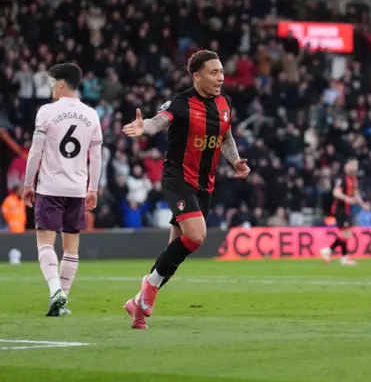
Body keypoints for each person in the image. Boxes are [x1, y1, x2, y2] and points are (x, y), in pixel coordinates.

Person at [121, 50, 250, 330]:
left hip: (205, 184)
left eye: (221, 72)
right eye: (214, 72)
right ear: (197, 76)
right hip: (179, 179)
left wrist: (236, 161)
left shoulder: (224, 104)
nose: (220, 77)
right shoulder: (181, 103)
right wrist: (146, 128)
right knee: (197, 235)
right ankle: (148, 287)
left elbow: (225, 137)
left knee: (175, 252)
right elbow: (160, 121)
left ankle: (137, 306)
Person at [23, 63, 102, 317]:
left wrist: (27, 184)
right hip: (77, 188)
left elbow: (36, 151)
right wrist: (94, 188)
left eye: (51, 82)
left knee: (45, 242)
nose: (50, 88)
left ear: (60, 83)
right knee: (71, 247)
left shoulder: (46, 111)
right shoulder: (91, 114)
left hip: (50, 186)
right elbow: (97, 156)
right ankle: (63, 300)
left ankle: (55, 290)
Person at [321, 157, 363, 265]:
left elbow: (356, 193)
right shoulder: (341, 178)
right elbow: (336, 193)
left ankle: (340, 256)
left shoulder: (353, 179)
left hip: (347, 208)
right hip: (339, 208)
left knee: (346, 233)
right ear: (347, 165)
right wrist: (348, 199)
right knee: (346, 233)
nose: (355, 167)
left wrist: (363, 204)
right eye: (353, 165)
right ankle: (331, 252)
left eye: (356, 165)